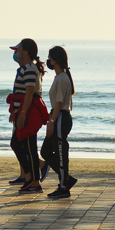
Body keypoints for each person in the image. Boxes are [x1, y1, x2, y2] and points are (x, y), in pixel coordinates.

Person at [7, 38, 48, 193]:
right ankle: (31, 179)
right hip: (23, 111)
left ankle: (34, 181)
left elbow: (30, 93)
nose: (16, 53)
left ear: (26, 51)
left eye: (18, 50)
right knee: (22, 145)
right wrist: (16, 112)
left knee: (26, 145)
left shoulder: (30, 69)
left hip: (30, 113)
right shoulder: (25, 69)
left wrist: (23, 113)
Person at [41, 46, 77, 198]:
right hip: (58, 115)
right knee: (46, 151)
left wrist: (52, 122)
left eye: (50, 58)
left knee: (61, 153)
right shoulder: (59, 77)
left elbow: (60, 102)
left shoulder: (62, 78)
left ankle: (63, 186)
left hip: (61, 117)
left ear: (55, 60)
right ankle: (67, 179)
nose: (48, 61)